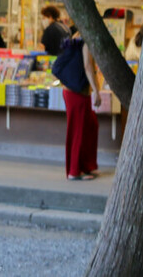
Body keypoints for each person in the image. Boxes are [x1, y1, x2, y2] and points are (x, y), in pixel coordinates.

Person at [52, 30, 101, 181]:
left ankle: (86, 166)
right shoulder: (85, 41)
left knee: (90, 125)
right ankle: (74, 171)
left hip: (74, 92)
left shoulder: (75, 39)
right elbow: (87, 66)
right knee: (78, 130)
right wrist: (96, 91)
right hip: (77, 94)